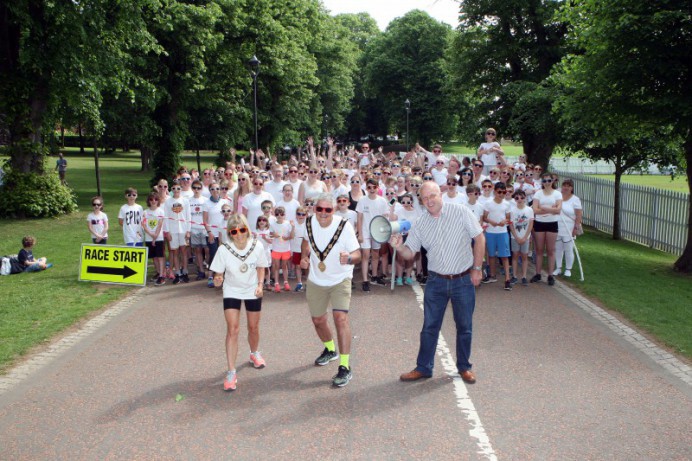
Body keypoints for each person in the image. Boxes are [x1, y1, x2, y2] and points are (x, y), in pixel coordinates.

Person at [392, 182, 485, 384]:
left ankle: (464, 367)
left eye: (432, 196)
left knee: (464, 326)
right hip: (436, 281)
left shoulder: (460, 211)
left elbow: (479, 238)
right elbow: (410, 253)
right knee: (429, 327)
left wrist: (477, 269)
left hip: (462, 279)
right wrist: (399, 248)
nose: (429, 201)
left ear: (440, 194)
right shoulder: (421, 222)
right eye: (424, 198)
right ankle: (423, 368)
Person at [300, 193, 361, 387]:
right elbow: (305, 241)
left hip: (340, 278)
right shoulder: (308, 223)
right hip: (317, 279)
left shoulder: (344, 226)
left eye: (328, 209)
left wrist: (349, 258)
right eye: (320, 209)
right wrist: (304, 256)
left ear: (333, 210)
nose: (323, 213)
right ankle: (330, 349)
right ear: (314, 209)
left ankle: (344, 366)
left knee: (340, 318)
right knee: (318, 320)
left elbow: (358, 254)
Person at [210, 213, 269, 392]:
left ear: (247, 229)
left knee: (253, 327)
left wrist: (260, 284)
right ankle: (231, 372)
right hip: (232, 290)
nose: (239, 234)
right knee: (233, 329)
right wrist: (218, 279)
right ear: (230, 233)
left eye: (242, 230)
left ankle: (254, 353)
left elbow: (261, 267)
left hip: (252, 289)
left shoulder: (257, 245)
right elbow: (217, 275)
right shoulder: (224, 249)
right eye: (234, 231)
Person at [531, 172, 562, 285]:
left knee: (550, 250)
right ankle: (538, 273)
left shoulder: (557, 194)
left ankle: (550, 275)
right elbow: (535, 210)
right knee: (539, 249)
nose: (547, 183)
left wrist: (543, 208)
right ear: (542, 182)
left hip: (552, 223)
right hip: (539, 223)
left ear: (552, 181)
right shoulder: (538, 194)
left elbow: (558, 210)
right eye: (544, 181)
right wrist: (550, 209)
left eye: (549, 181)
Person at [481, 182, 513, 291]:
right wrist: (491, 221)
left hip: (502, 232)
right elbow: (484, 217)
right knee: (491, 255)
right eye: (499, 192)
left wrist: (505, 221)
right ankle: (492, 275)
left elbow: (508, 218)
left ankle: (507, 279)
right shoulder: (488, 203)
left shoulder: (507, 204)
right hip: (491, 232)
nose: (502, 194)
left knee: (504, 256)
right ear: (495, 192)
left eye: (504, 192)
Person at [554, 179, 583, 277]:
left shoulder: (575, 199)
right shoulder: (557, 196)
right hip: (557, 226)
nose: (566, 188)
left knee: (568, 248)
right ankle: (558, 267)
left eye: (568, 186)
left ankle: (568, 269)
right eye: (564, 185)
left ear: (572, 188)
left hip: (569, 227)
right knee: (558, 248)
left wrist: (576, 227)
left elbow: (578, 215)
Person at [509, 189, 534, 286]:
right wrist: (516, 237)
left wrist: (525, 237)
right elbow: (511, 225)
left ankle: (524, 276)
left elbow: (530, 224)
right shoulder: (512, 210)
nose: (519, 199)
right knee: (515, 256)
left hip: (525, 237)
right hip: (514, 237)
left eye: (522, 197)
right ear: (514, 199)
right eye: (517, 198)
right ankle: (514, 276)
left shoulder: (529, 210)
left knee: (524, 256)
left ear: (525, 198)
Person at [142, 192, 166, 286]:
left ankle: (161, 275)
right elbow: (143, 224)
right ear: (149, 201)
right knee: (154, 257)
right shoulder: (145, 212)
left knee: (160, 257)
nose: (153, 201)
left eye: (155, 199)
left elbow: (160, 224)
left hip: (159, 237)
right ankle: (158, 271)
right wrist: (151, 234)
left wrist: (155, 236)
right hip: (148, 237)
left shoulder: (160, 211)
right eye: (151, 199)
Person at [269, 206, 294, 292]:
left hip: (285, 249)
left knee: (284, 266)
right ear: (275, 215)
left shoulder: (288, 224)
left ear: (284, 215)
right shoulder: (272, 225)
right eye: (277, 214)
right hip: (276, 249)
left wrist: (287, 237)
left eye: (281, 214)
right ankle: (276, 283)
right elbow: (270, 234)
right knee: (276, 266)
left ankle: (286, 283)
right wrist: (273, 235)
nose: (279, 216)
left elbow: (292, 236)